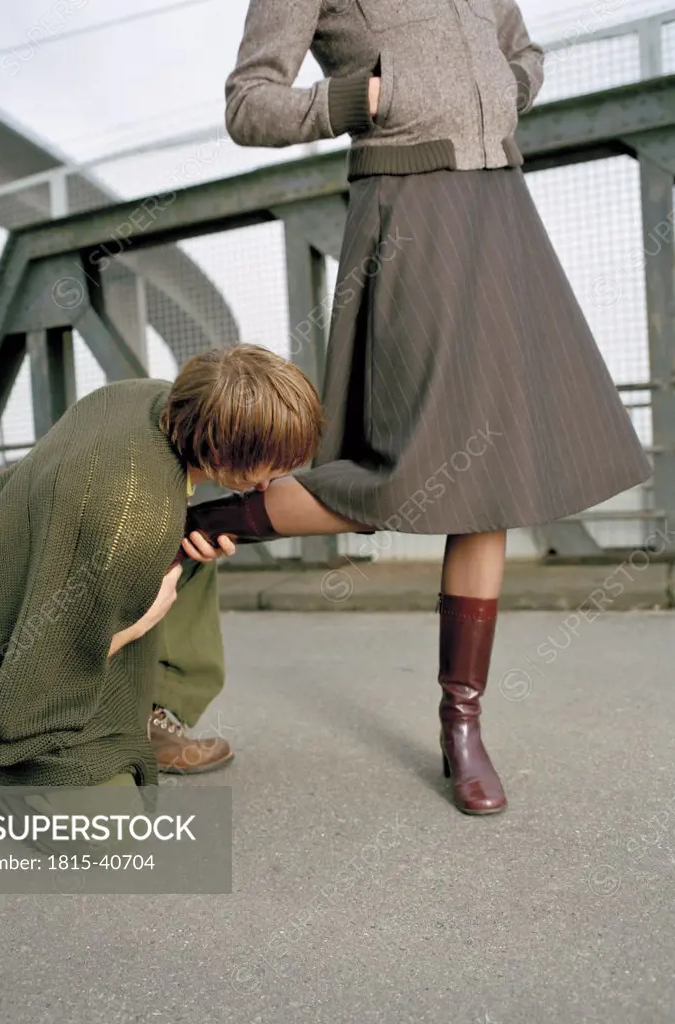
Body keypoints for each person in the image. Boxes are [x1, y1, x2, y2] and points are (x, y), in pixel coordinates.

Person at [177, 0, 653, 816]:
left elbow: (520, 47)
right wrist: (360, 98)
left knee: (489, 467)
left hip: (501, 203)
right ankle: (222, 520)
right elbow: (247, 104)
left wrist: (507, 87)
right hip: (408, 213)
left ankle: (461, 723)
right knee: (409, 460)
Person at [0, 345, 323, 811]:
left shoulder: (152, 398)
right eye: (268, 466)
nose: (270, 483)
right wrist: (143, 619)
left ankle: (149, 712)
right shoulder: (133, 520)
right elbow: (38, 681)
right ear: (221, 447)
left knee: (192, 538)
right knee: (111, 826)